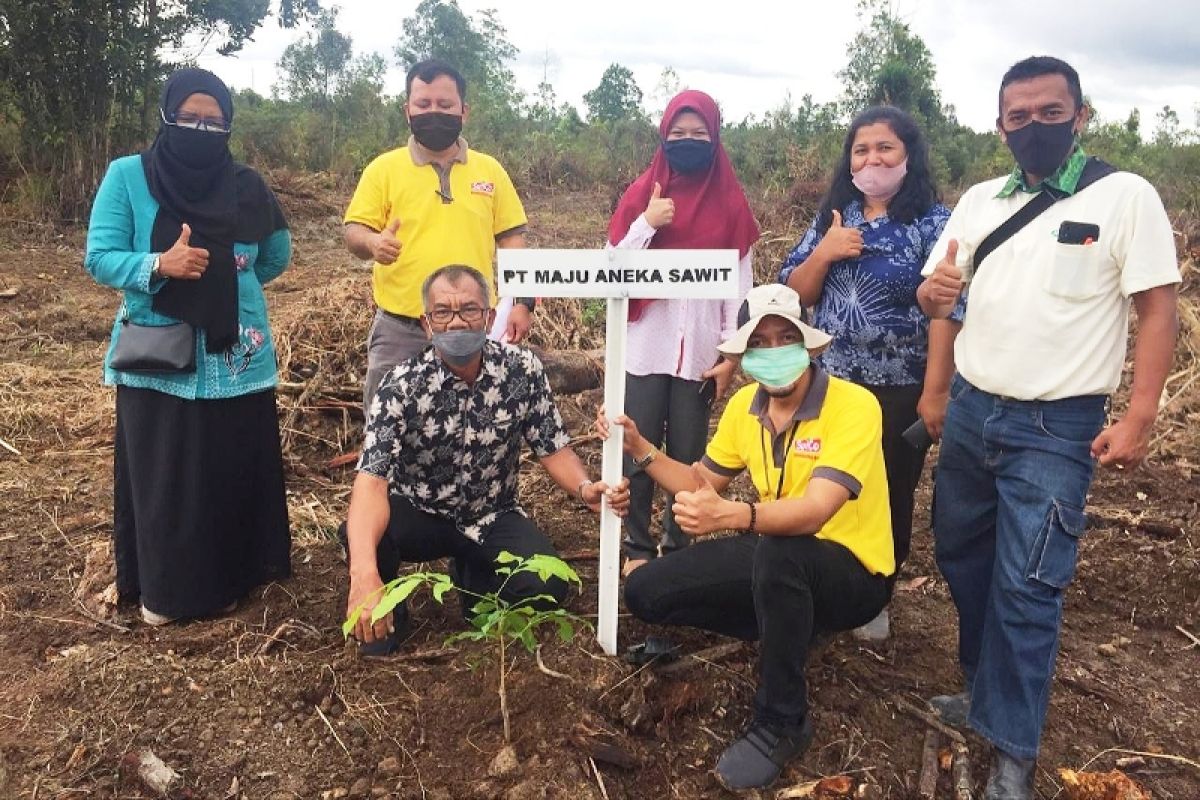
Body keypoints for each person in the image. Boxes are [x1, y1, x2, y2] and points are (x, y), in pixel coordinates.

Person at [916, 56, 1180, 800]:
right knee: (962, 559)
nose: (1035, 127)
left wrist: (1140, 414)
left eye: (1051, 113)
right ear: (1000, 126)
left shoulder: (1125, 196)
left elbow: (1156, 308)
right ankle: (981, 690)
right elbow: (942, 299)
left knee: (1029, 586)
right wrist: (932, 295)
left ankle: (1011, 751)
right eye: (1020, 116)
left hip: (1055, 428)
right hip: (972, 411)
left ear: (1082, 115)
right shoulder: (977, 203)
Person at [597, 284, 894, 791]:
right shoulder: (744, 409)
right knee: (647, 591)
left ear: (808, 345)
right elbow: (699, 483)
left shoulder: (853, 406)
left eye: (786, 338)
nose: (775, 352)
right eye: (760, 342)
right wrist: (642, 448)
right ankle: (788, 625)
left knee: (780, 555)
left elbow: (815, 512)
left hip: (852, 574)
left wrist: (731, 515)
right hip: (775, 551)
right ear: (744, 354)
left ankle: (783, 720)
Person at [85, 68, 292, 626]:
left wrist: (231, 283)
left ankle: (234, 582)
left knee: (228, 471)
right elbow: (99, 257)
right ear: (166, 117)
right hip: (159, 357)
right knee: (168, 481)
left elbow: (275, 254)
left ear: (228, 125)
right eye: (188, 118)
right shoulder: (129, 177)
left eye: (214, 120)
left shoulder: (246, 184)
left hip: (236, 357)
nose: (201, 128)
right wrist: (161, 266)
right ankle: (166, 596)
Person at [343, 265, 630, 652]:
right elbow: (371, 480)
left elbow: (552, 445)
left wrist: (584, 488)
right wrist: (363, 576)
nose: (456, 321)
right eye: (442, 312)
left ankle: (472, 576)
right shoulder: (401, 386)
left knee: (546, 587)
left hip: (492, 514)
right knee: (364, 539)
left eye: (469, 310)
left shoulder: (523, 371)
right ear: (427, 325)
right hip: (420, 509)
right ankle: (388, 613)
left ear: (489, 317)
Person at [779, 105, 958, 641]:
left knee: (887, 489)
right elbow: (793, 295)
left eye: (885, 148)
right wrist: (826, 254)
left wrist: (935, 393)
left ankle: (874, 591)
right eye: (861, 149)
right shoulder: (835, 217)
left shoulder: (934, 222)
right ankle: (816, 582)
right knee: (817, 481)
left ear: (909, 156)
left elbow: (952, 309)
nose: (872, 158)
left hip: (900, 387)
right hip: (828, 382)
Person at [606, 89, 757, 575]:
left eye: (699, 134)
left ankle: (676, 551)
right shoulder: (642, 194)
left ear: (714, 139)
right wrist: (649, 223)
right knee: (636, 451)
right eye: (678, 134)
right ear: (663, 136)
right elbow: (613, 266)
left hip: (700, 359)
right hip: (644, 352)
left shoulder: (730, 202)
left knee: (688, 457)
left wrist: (731, 356)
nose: (688, 142)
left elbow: (739, 287)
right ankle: (635, 549)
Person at [342, 59, 535, 410]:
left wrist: (522, 302)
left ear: (464, 111)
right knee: (387, 431)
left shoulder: (490, 171)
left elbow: (511, 241)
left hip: (472, 328)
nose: (434, 112)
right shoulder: (382, 170)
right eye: (423, 104)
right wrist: (373, 242)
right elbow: (354, 231)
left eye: (445, 106)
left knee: (472, 427)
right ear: (407, 110)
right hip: (400, 329)